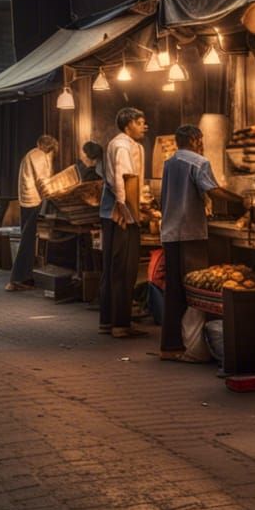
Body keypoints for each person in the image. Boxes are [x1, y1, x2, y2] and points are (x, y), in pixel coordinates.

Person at [159, 125, 242, 361]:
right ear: (195, 140)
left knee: (173, 289)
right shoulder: (199, 162)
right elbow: (213, 191)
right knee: (194, 289)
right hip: (191, 233)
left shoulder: (170, 162)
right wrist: (241, 200)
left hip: (170, 231)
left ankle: (170, 346)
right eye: (201, 139)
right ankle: (194, 347)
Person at [99, 107, 149, 338]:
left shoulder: (129, 145)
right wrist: (126, 210)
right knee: (123, 269)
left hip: (118, 212)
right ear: (128, 124)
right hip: (121, 216)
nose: (144, 126)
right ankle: (120, 324)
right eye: (140, 122)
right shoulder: (121, 146)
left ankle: (109, 321)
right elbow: (122, 179)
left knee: (114, 268)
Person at [7, 135, 59, 292]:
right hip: (34, 201)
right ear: (49, 148)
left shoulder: (31, 154)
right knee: (27, 241)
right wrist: (54, 194)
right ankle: (18, 278)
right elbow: (43, 181)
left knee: (27, 239)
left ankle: (25, 277)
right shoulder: (39, 156)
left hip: (27, 201)